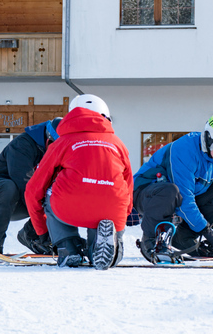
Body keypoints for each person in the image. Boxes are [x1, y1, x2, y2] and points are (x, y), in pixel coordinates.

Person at [24, 94, 133, 270]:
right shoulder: (118, 144)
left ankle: (68, 247)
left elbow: (34, 189)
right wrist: (123, 215)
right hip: (113, 206)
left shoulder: (62, 142)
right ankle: (110, 248)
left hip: (69, 205)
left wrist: (42, 232)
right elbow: (128, 183)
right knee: (104, 220)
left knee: (50, 191)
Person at [133, 114, 213, 263]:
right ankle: (151, 241)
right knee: (171, 191)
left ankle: (184, 238)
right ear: (209, 140)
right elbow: (184, 197)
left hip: (176, 196)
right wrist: (208, 233)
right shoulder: (184, 150)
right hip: (146, 193)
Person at [0, 118, 61, 255]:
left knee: (57, 194)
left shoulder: (52, 151)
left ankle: (31, 236)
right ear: (48, 140)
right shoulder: (22, 145)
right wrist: (42, 228)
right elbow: (25, 185)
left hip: (21, 199)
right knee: (8, 187)